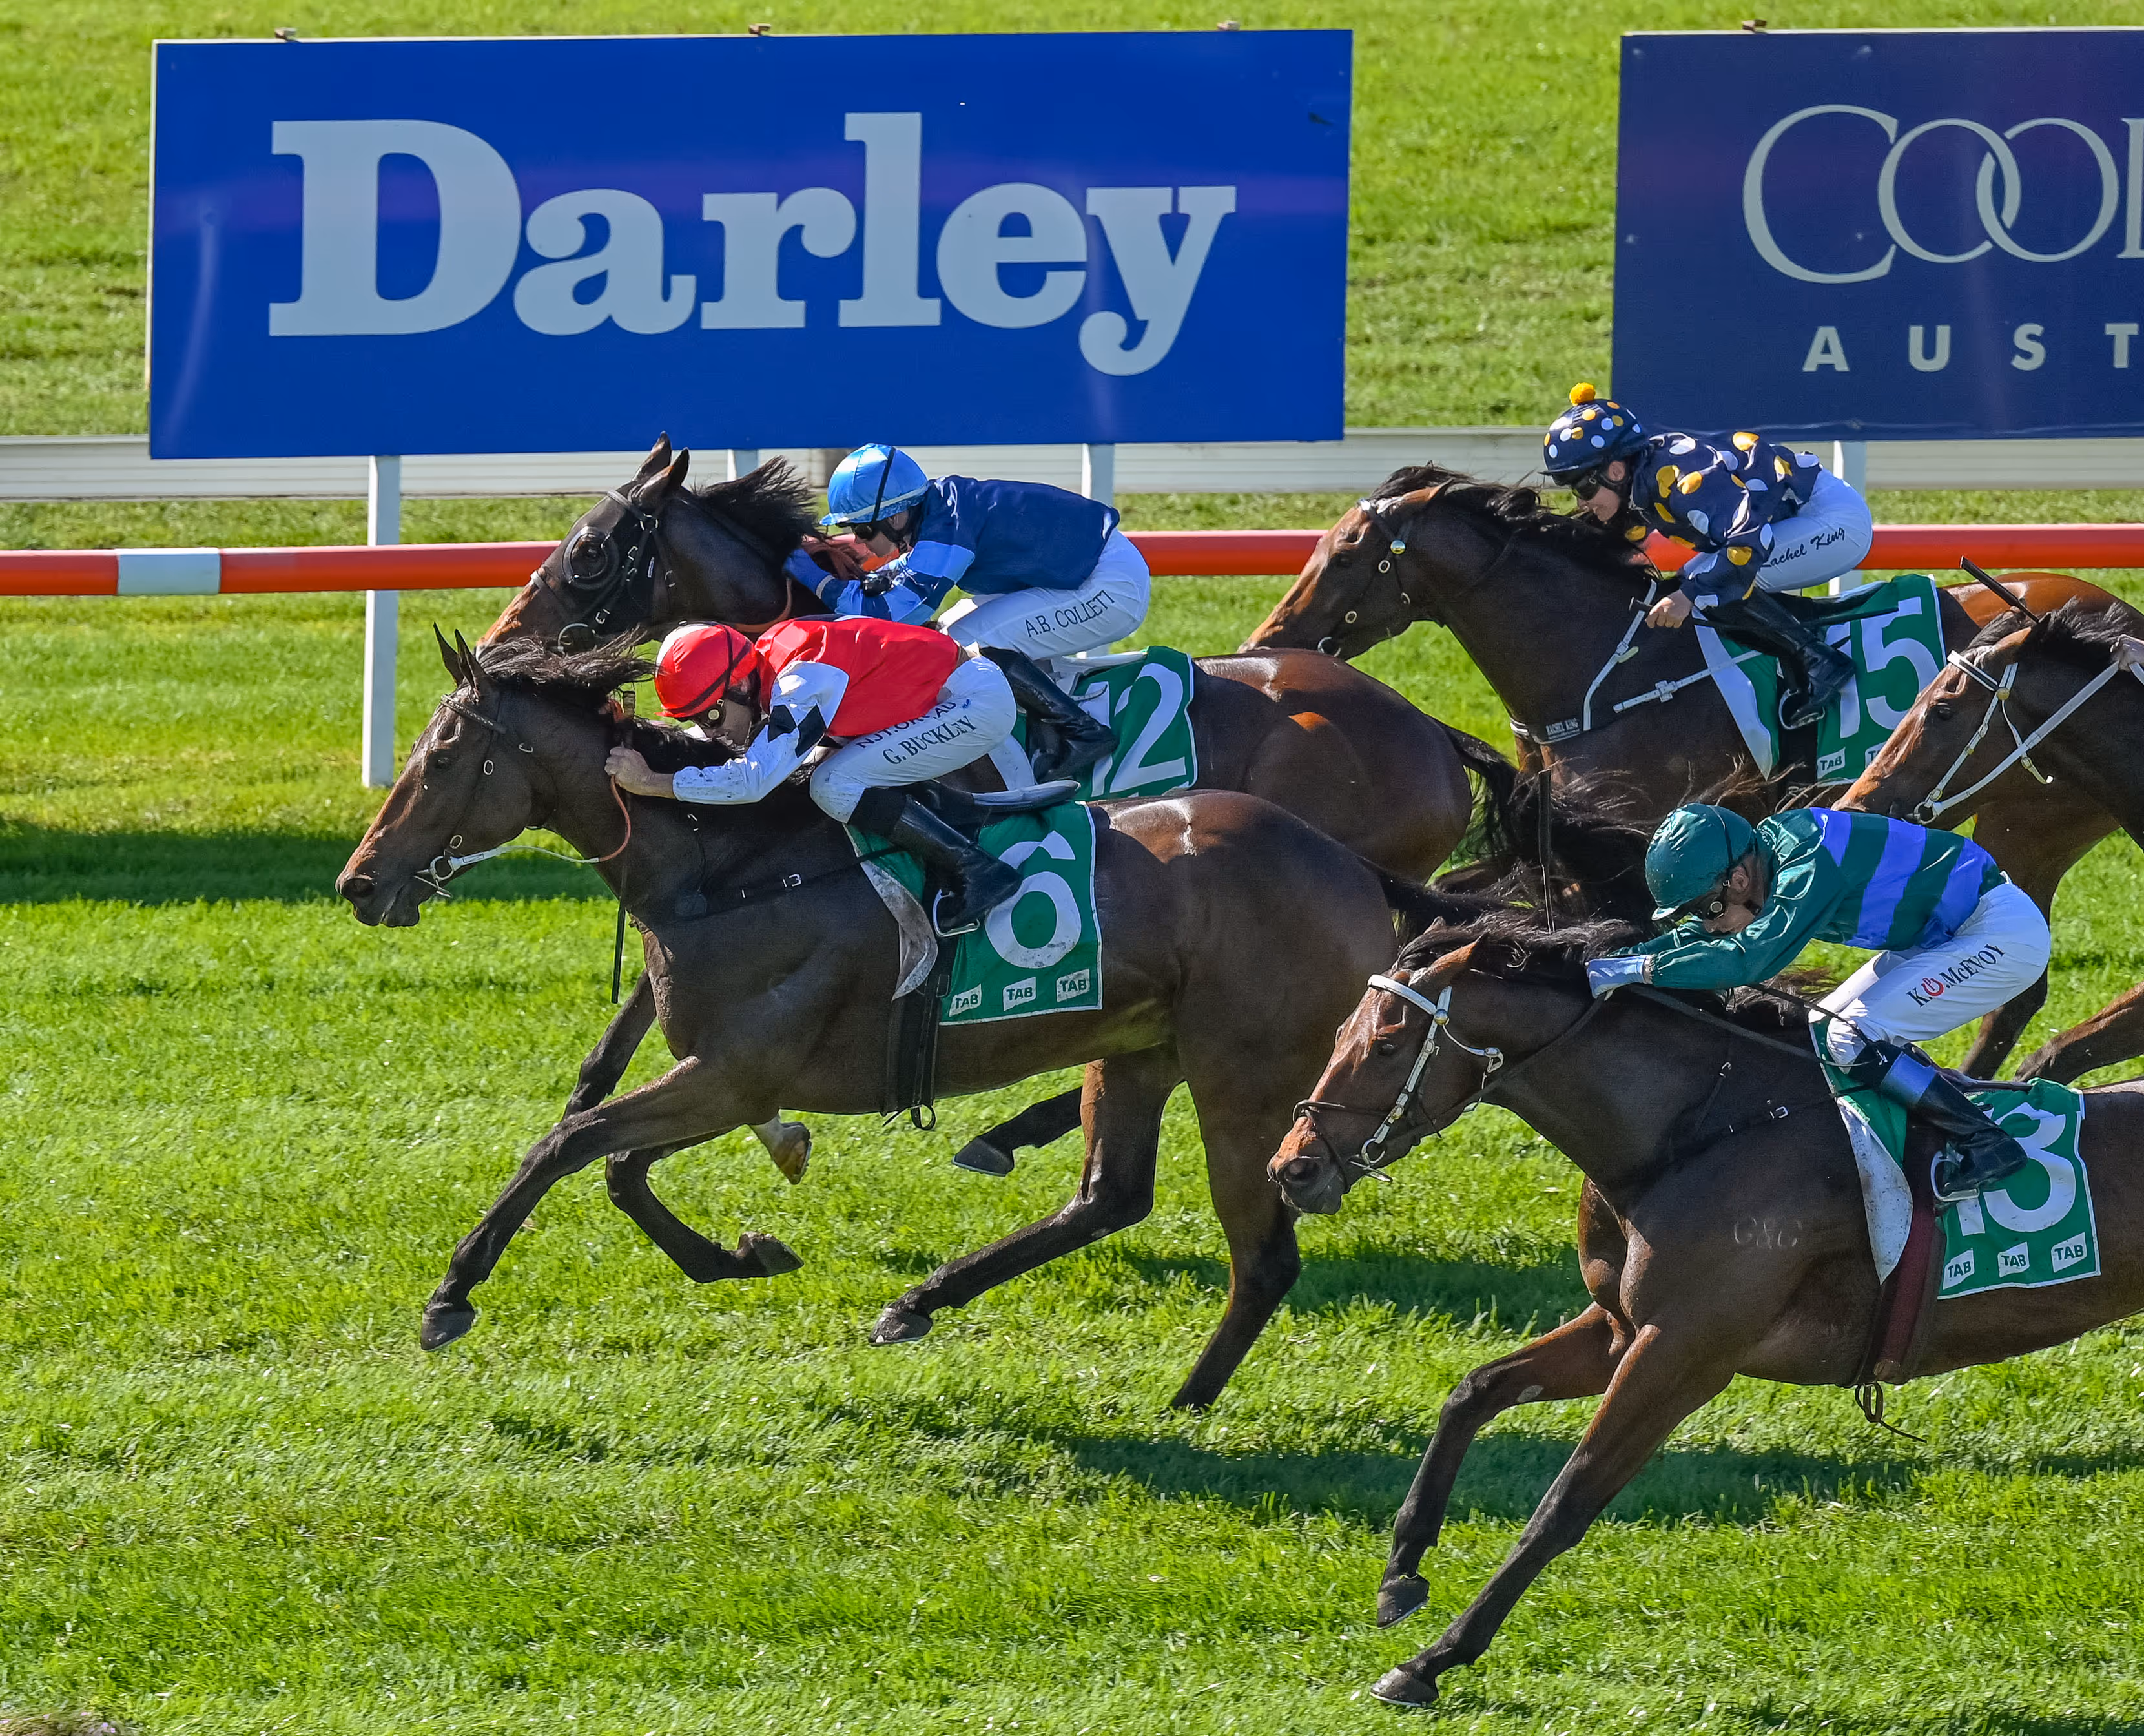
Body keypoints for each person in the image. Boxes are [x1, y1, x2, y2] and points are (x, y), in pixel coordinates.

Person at [1582, 802, 2053, 1203]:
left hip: (2001, 936)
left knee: (1853, 1034)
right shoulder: (1770, 852)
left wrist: (1643, 971)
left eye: (1706, 910)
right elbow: (1697, 938)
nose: (1706, 927)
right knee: (1825, 1034)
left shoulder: (1811, 863)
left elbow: (1751, 962)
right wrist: (1624, 956)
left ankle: (1989, 1144)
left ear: (1741, 879)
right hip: (1945, 934)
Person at [603, 618, 1027, 931]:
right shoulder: (762, 667)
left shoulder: (799, 681)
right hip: (950, 694)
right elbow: (713, 737)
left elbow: (754, 781)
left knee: (832, 783)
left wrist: (653, 785)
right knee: (827, 770)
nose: (712, 732)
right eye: (697, 719)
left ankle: (978, 870)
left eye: (712, 715)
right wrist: (631, 731)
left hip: (972, 705)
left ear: (741, 686)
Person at [786, 443, 1153, 783]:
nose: (861, 542)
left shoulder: (948, 524)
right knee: (947, 631)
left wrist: (818, 581)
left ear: (897, 517)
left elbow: (898, 615)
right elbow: (909, 572)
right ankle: (1043, 724)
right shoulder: (937, 510)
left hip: (1109, 587)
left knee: (969, 644)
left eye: (863, 529)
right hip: (1083, 574)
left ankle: (1083, 733)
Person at [1541, 384, 1873, 729]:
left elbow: (1749, 542)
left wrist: (1688, 597)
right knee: (1694, 580)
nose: (1582, 503)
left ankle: (1820, 661)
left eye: (1583, 488)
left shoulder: (1685, 482)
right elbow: (1618, 541)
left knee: (1708, 588)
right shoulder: (1642, 481)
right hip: (1796, 519)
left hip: (1835, 522)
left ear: (1615, 471)